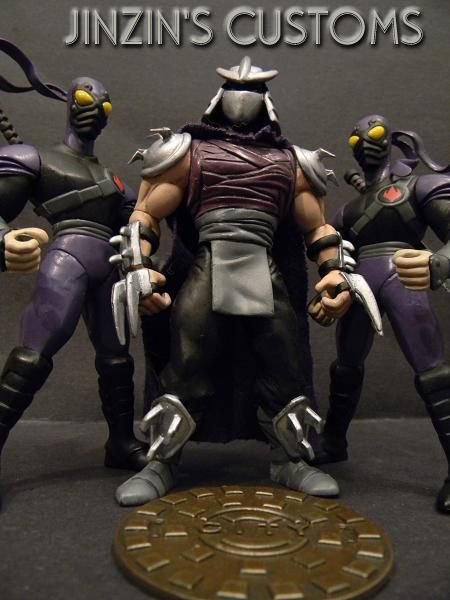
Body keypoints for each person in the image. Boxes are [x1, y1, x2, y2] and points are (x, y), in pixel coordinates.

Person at [113, 57, 352, 506]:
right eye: (235, 88)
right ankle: (162, 461)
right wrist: (139, 268)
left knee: (285, 365)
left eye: (254, 90)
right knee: (186, 362)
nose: (243, 96)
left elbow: (318, 230)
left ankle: (290, 459)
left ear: (268, 103)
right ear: (217, 99)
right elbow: (145, 215)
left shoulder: (291, 162)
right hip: (207, 265)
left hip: (265, 270)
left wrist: (335, 274)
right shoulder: (189, 153)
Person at [0, 40, 148, 489]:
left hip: (110, 269)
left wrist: (146, 268)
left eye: (104, 104)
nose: (95, 109)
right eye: (85, 98)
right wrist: (4, 241)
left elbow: (138, 232)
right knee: (34, 354)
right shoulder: (33, 158)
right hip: (66, 261)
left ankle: (120, 441)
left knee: (117, 359)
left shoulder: (115, 182)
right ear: (68, 102)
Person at [314, 114, 450, 513]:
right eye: (355, 139)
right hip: (358, 284)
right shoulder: (347, 211)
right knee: (346, 366)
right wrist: (330, 290)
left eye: (374, 133)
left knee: (432, 370)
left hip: (403, 274)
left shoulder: (419, 186)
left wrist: (438, 264)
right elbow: (332, 256)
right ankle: (333, 441)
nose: (364, 143)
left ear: (392, 139)